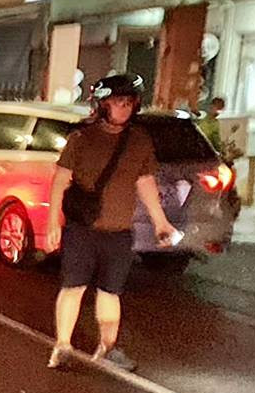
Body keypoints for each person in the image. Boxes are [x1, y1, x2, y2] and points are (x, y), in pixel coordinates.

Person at [46, 74, 177, 371]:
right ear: (103, 104)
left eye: (129, 102)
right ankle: (62, 346)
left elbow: (144, 181)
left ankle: (108, 347)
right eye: (118, 102)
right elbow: (60, 181)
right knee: (73, 287)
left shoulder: (139, 141)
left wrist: (161, 222)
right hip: (82, 230)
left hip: (118, 233)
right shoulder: (82, 139)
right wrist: (53, 222)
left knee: (111, 292)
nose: (124, 108)